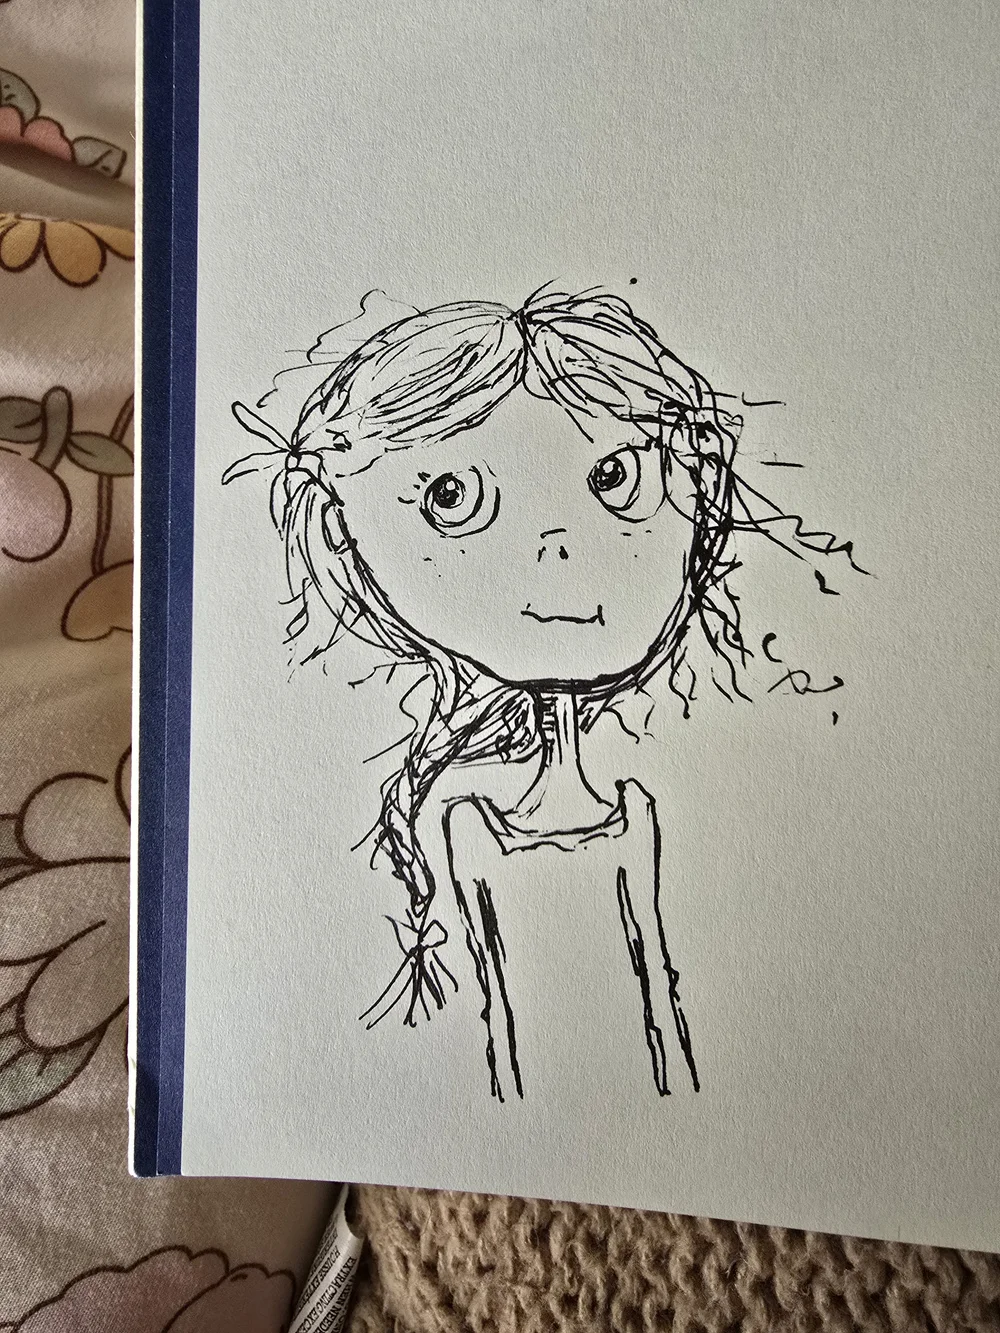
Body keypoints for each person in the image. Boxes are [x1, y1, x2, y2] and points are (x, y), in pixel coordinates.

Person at [228, 285, 856, 1101]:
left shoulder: (645, 805)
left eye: (615, 476)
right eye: (451, 496)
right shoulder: (460, 827)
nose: (554, 546)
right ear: (343, 526)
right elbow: (492, 1026)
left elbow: (653, 988)